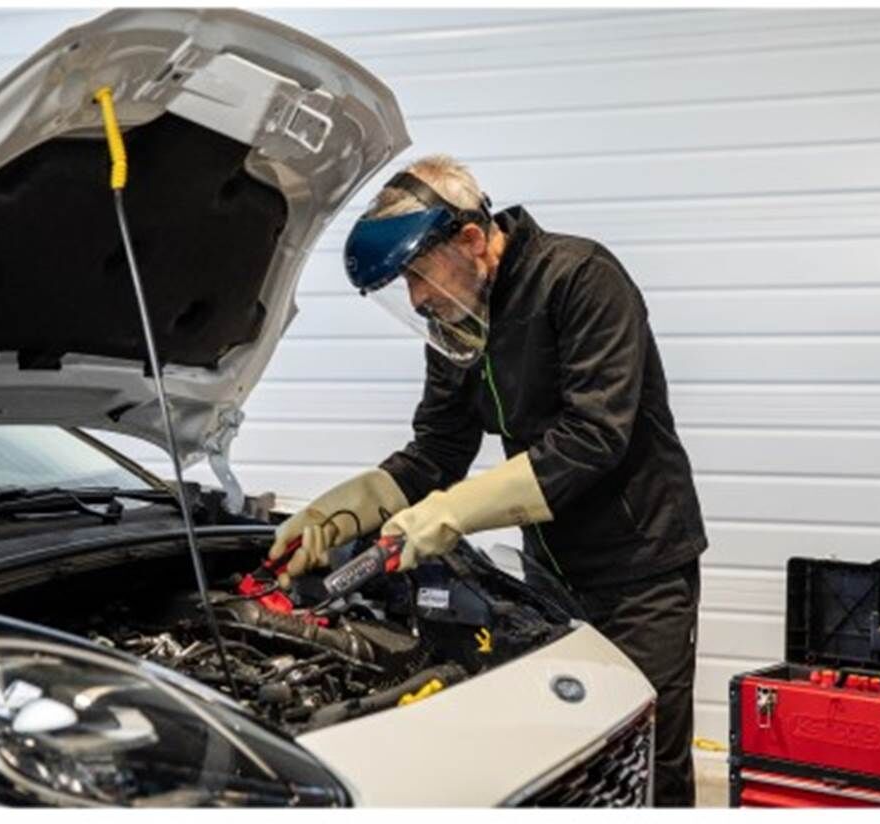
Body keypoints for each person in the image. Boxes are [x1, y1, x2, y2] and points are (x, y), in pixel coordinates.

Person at [268, 155, 707, 806]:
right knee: (570, 760)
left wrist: (450, 513)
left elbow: (594, 437)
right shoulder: (457, 321)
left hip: (640, 568)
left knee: (644, 761)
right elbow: (439, 448)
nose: (416, 298)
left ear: (471, 240)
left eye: (417, 272)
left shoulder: (580, 278)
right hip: (550, 578)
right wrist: (339, 513)